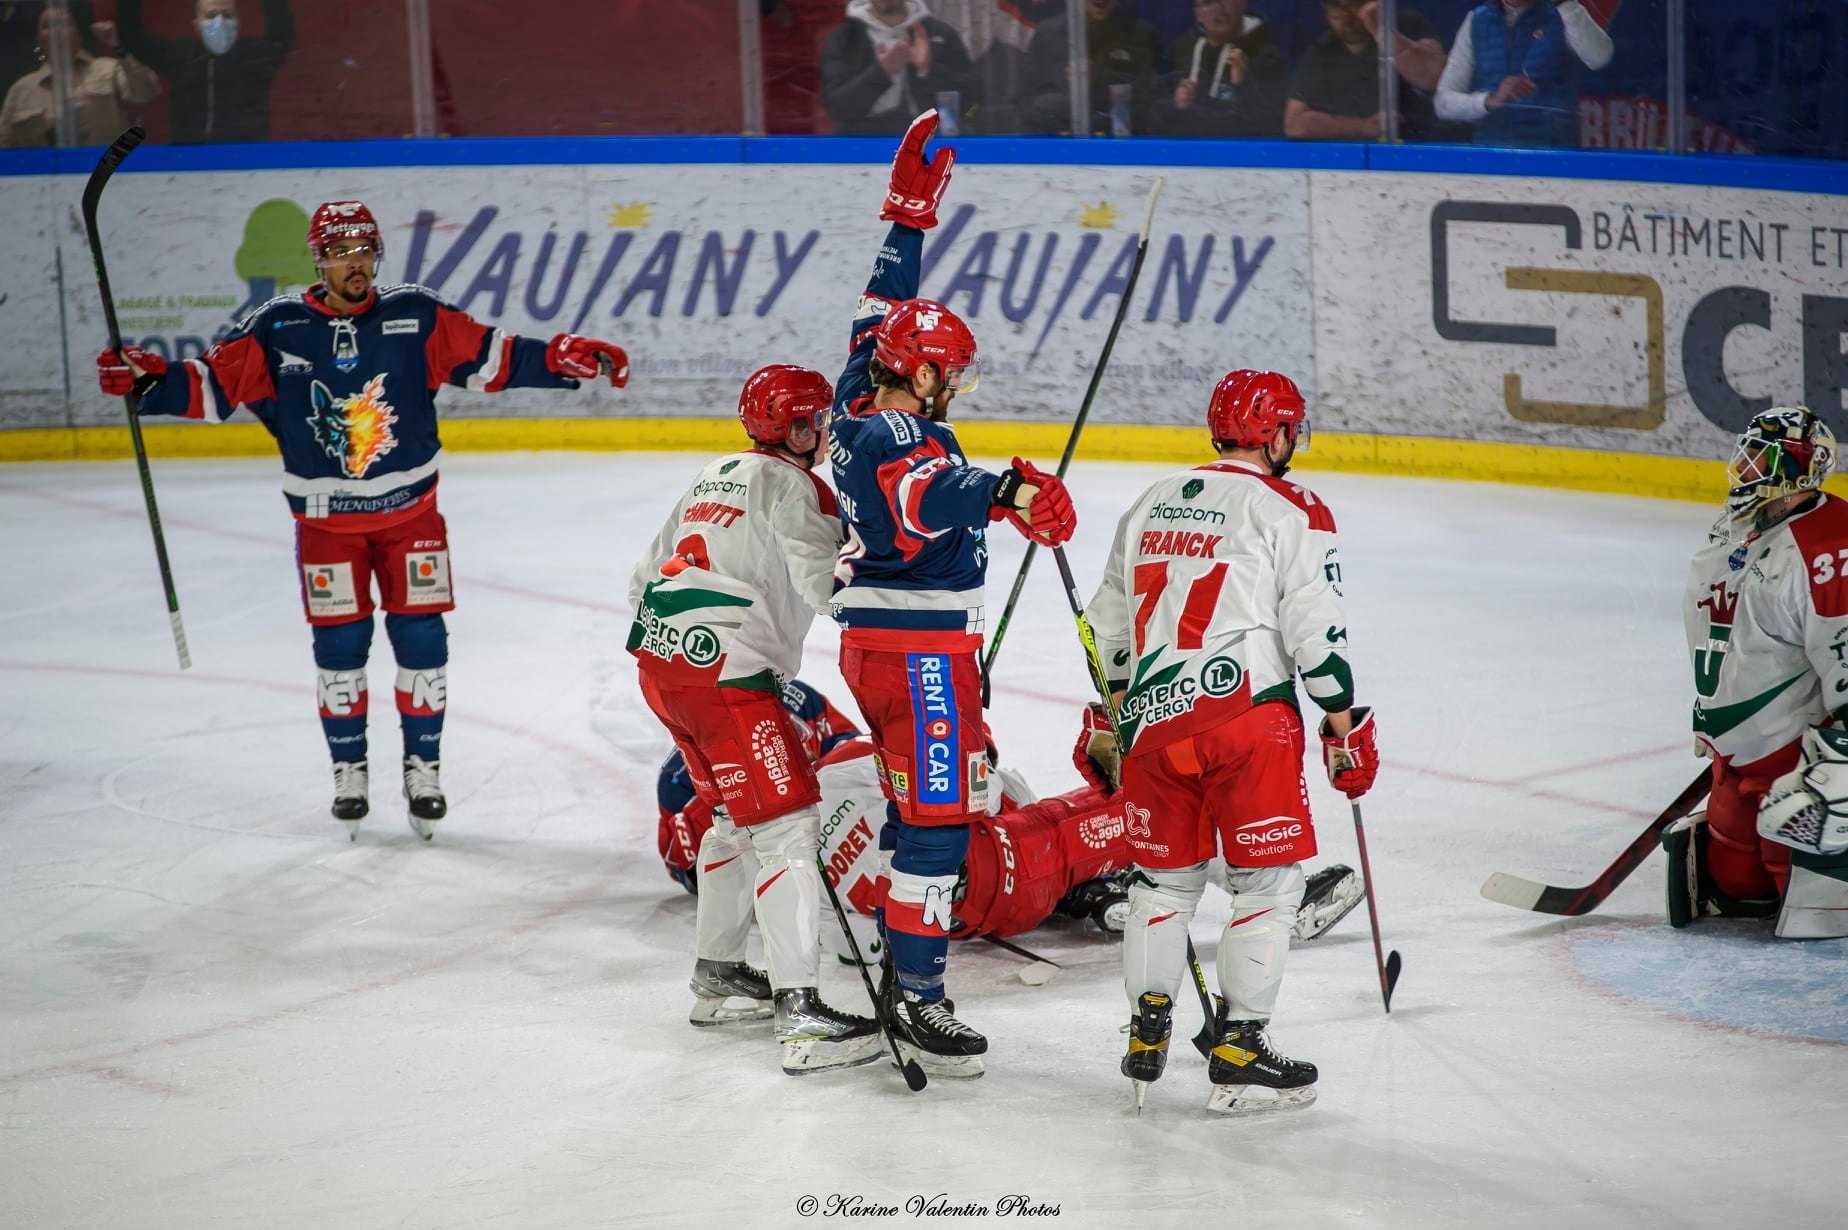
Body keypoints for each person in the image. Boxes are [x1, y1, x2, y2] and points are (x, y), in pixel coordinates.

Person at [96, 201, 629, 840]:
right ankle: (349, 769)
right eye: (340, 251)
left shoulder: (415, 315)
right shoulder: (279, 326)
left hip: (412, 519)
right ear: (318, 260)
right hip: (326, 526)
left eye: (364, 250)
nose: (355, 263)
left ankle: (423, 767)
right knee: (339, 650)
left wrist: (562, 355)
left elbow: (494, 357)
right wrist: (148, 380)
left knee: (424, 641)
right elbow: (212, 384)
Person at [827, 110, 1078, 1078]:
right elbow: (927, 493)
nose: (956, 389)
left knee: (916, 812)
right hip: (918, 657)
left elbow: (879, 304)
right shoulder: (893, 437)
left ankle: (907, 952)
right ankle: (918, 994)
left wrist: (907, 215)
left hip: (897, 645)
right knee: (939, 824)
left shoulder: (861, 393)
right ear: (921, 371)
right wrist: (1008, 490)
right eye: (952, 375)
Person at [1083, 368, 1379, 1116]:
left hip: (1151, 723)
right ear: (1274, 433)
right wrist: (1343, 721)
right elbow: (1316, 627)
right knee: (1268, 887)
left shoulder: (1151, 499)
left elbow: (1107, 626)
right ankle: (1241, 1049)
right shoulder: (1292, 507)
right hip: (1246, 719)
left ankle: (1147, 1034)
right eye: (1289, 429)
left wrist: (1109, 715)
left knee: (1161, 886)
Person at [658, 678, 1367, 951]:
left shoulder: (773, 853)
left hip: (943, 913)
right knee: (1155, 807)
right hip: (997, 869)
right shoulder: (845, 759)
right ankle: (1274, 898)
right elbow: (992, 791)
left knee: (1022, 834)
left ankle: (1087, 893)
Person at [628, 365, 884, 1077]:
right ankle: (801, 1014)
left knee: (728, 823)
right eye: (818, 420)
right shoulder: (798, 488)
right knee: (786, 830)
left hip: (662, 667)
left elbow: (640, 579)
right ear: (799, 427)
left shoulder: (713, 474)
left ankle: (717, 976)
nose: (825, 431)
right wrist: (872, 553)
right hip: (729, 683)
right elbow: (826, 588)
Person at [1677, 407, 1848, 940]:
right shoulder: (1734, 527)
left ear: (1802, 470)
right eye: (1747, 454)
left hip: (1795, 755)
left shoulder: (1830, 545)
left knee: (1794, 882)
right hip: (1736, 756)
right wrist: (1712, 714)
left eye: (1763, 458)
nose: (1746, 467)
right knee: (1734, 883)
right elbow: (1718, 629)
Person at [1433, 0, 1614, 149]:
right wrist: (1488, 101)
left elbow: (1599, 57)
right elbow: (1443, 103)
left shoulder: (1563, 14)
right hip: (1490, 156)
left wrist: (1565, 4)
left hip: (1552, 156)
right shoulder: (1477, 20)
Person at [115, 0, 292, 144]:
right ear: (197, 24)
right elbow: (134, 36)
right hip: (189, 159)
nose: (219, 22)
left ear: (238, 22)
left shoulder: (254, 58)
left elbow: (281, 35)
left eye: (227, 15)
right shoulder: (181, 55)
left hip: (246, 158)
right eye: (211, 15)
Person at [1284, 1, 1449, 142]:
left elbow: (1434, 78)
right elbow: (1295, 124)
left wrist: (1380, 30)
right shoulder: (1323, 48)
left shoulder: (1404, 23)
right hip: (1354, 154)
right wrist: (1362, 127)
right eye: (1337, 12)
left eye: (1353, 8)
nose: (1347, 20)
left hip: (1417, 145)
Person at [0, 5, 159, 147]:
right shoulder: (22, 89)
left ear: (78, 34)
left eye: (65, 24)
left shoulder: (109, 69)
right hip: (43, 169)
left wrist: (118, 47)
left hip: (104, 167)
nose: (57, 31)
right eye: (47, 26)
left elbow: (146, 92)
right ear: (38, 40)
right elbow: (4, 142)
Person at [821, 0, 980, 136]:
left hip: (929, 147)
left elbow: (972, 106)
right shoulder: (844, 38)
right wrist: (881, 73)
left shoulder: (941, 35)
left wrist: (927, 70)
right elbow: (836, 110)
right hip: (860, 149)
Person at [1016, 0, 1161, 136]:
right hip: (1058, 144)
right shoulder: (1049, 33)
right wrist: (1069, 97)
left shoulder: (1142, 35)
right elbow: (1024, 103)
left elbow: (1151, 108)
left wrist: (1100, 80)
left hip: (1120, 147)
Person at [1153, 0, 1288, 138]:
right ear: (1197, 14)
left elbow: (1273, 125)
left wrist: (1243, 85)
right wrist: (1175, 104)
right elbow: (1154, 116)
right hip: (1186, 147)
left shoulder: (1267, 56)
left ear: (1242, 3)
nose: (1220, 9)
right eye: (1208, 2)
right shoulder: (1182, 49)